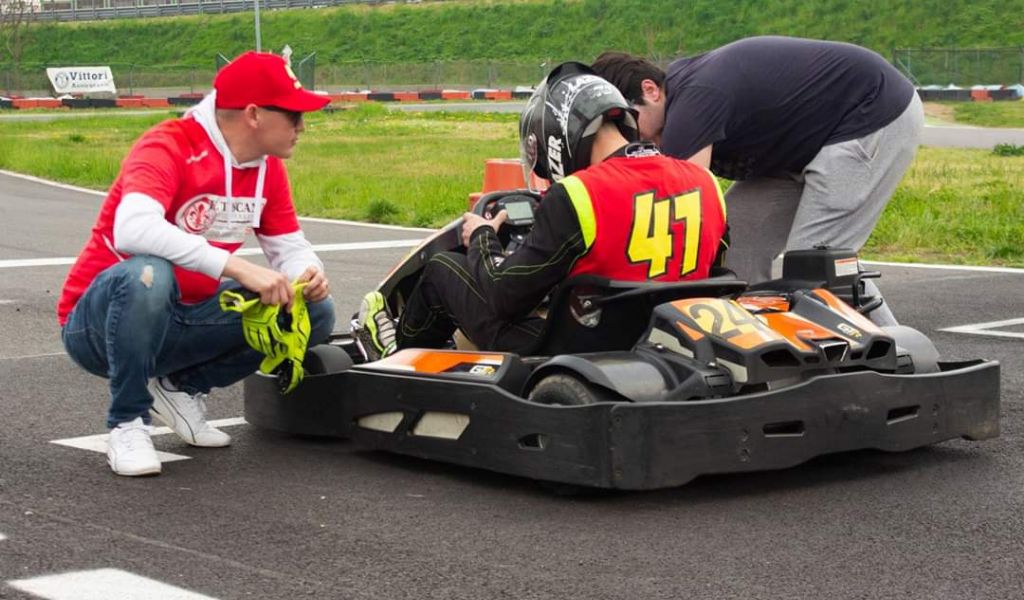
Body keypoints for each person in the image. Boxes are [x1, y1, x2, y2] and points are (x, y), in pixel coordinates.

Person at [57, 51, 336, 477]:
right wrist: (237, 267)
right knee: (148, 272)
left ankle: (181, 388)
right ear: (254, 114)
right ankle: (128, 422)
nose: (302, 127)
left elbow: (289, 246)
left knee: (313, 309)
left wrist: (305, 273)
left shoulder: (266, 168)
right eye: (295, 115)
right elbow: (132, 229)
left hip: (185, 320)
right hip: (99, 327)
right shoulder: (168, 143)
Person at [354, 62, 727, 359]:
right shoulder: (705, 182)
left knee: (442, 270)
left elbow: (505, 296)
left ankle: (396, 360)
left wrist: (483, 237)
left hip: (580, 346)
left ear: (558, 135)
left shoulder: (580, 193)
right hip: (668, 338)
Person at [592, 36, 925, 325]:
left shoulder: (693, 101)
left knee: (814, 265)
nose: (629, 136)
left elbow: (682, 211)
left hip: (870, 112)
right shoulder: (681, 101)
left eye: (629, 122)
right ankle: (756, 356)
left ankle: (904, 358)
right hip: (799, 148)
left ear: (650, 90)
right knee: (736, 247)